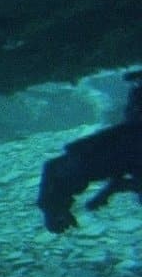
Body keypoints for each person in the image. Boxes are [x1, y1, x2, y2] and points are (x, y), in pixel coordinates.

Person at [38, 70, 142, 233]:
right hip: (116, 150)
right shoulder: (127, 137)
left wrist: (108, 191)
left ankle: (54, 208)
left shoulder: (126, 137)